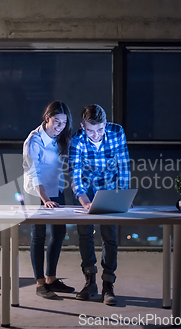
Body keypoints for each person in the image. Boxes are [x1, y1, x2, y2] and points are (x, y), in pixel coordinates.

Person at [69, 104, 131, 306]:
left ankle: (108, 284)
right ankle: (90, 282)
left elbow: (123, 164)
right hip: (85, 190)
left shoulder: (116, 131)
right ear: (82, 126)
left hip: (109, 189)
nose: (95, 135)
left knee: (110, 236)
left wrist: (122, 196)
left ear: (106, 124)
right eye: (90, 130)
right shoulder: (77, 139)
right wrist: (84, 199)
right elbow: (75, 172)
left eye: (100, 129)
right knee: (85, 235)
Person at [23, 100, 75, 299]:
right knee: (39, 235)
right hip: (36, 192)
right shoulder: (34, 140)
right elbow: (34, 172)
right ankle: (39, 283)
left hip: (56, 188)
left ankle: (51, 278)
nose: (60, 127)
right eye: (57, 122)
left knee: (59, 232)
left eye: (64, 123)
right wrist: (45, 199)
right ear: (47, 118)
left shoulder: (61, 138)